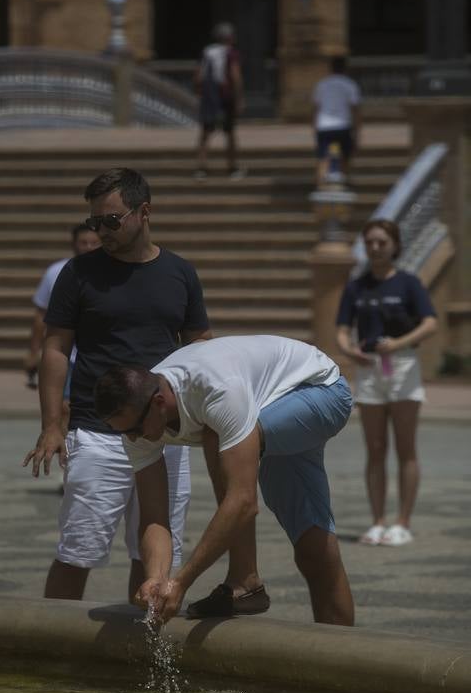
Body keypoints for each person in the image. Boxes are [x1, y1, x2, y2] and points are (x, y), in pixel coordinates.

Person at [23, 168, 212, 602]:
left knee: (152, 555)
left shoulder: (180, 273)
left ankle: (138, 651)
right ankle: (53, 647)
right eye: (94, 223)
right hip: (96, 431)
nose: (101, 231)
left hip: (166, 434)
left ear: (144, 212)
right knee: (78, 550)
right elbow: (55, 349)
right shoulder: (79, 273)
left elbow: (202, 348)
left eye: (111, 221)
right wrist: (53, 425)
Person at [94, 335, 354, 625]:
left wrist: (181, 582)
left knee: (214, 435)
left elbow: (243, 502)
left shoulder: (215, 389)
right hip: (267, 402)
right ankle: (345, 660)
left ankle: (245, 580)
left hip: (322, 390)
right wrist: (157, 579)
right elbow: (154, 517)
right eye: (121, 432)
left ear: (158, 402)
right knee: (314, 552)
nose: (131, 439)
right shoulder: (138, 415)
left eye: (133, 429)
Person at [335, 219, 438, 547]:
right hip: (369, 369)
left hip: (403, 364)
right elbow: (341, 329)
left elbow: (430, 322)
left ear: (394, 245)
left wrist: (398, 343)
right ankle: (378, 521)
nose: (376, 248)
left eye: (382, 242)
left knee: (405, 447)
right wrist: (350, 351)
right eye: (370, 243)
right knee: (375, 449)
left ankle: (402, 522)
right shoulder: (357, 286)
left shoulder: (408, 283)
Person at [23, 224, 101, 391]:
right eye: (83, 242)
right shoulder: (56, 272)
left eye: (94, 243)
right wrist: (33, 352)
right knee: (64, 408)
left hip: (99, 356)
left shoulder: (111, 274)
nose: (88, 247)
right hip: (66, 356)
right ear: (74, 244)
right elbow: (41, 315)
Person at [194, 22, 245, 180]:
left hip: (210, 97)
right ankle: (232, 168)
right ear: (230, 37)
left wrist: (201, 95)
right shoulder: (231, 53)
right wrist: (239, 98)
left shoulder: (207, 51)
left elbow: (199, 76)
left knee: (205, 133)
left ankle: (202, 169)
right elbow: (235, 76)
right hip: (225, 96)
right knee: (229, 133)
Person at [312, 56, 361, 186]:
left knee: (323, 158)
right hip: (343, 125)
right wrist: (357, 131)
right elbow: (355, 109)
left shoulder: (322, 84)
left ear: (330, 68)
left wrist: (314, 127)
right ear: (345, 68)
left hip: (324, 125)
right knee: (345, 157)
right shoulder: (349, 84)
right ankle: (345, 183)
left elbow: (316, 108)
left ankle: (320, 185)